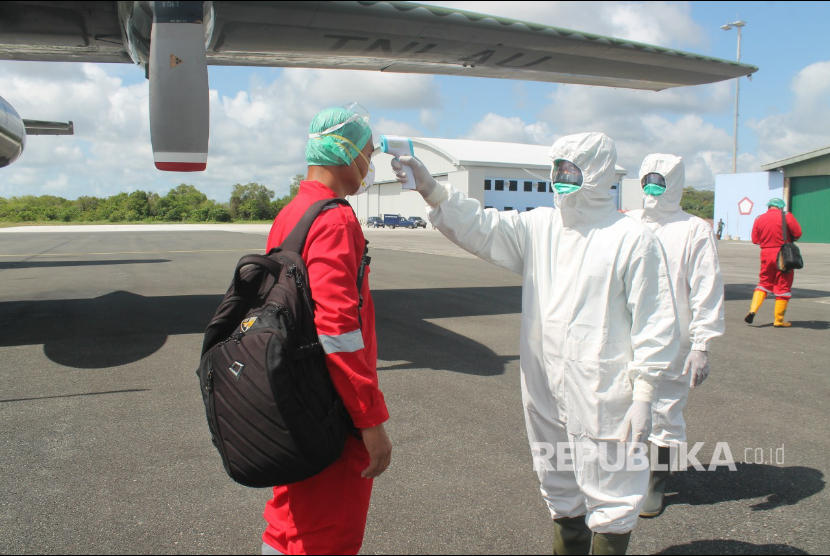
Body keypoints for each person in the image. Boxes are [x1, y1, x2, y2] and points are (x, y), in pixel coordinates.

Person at [392, 132, 680, 554]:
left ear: (597, 172)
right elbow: (484, 227)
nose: (561, 177)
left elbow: (655, 323)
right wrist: (432, 189)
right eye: (558, 168)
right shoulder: (541, 226)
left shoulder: (632, 239)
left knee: (613, 492)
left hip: (605, 392)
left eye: (571, 169)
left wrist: (646, 391)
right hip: (544, 386)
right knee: (558, 483)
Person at [261, 105, 392, 555]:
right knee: (326, 536)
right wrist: (369, 418)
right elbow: (338, 330)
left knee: (288, 522)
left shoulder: (293, 213)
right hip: (329, 407)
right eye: (368, 153)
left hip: (291, 396)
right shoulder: (335, 219)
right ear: (347, 151)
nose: (369, 164)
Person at [626, 154, 725, 517]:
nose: (652, 189)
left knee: (663, 412)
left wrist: (702, 345)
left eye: (660, 181)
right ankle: (628, 474)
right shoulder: (628, 222)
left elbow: (706, 288)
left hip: (673, 339)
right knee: (623, 403)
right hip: (625, 334)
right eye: (647, 181)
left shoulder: (693, 229)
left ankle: (656, 482)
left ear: (675, 183)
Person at [745, 198, 802, 327]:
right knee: (783, 285)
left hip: (765, 254)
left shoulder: (759, 218)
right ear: (781, 207)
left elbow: (755, 239)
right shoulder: (786, 216)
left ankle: (752, 310)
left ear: (769, 206)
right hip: (783, 254)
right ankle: (779, 320)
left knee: (764, 283)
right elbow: (798, 233)